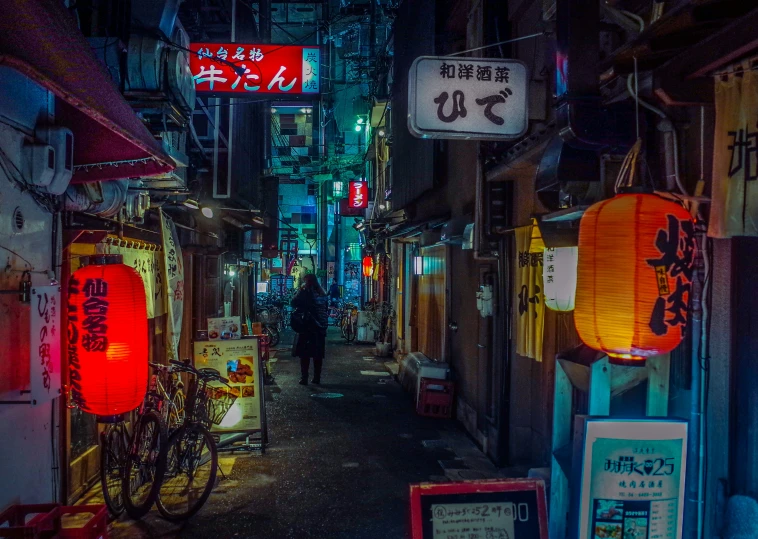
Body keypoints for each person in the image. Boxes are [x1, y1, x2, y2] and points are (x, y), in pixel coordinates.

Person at [292, 274, 328, 385]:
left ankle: (304, 377)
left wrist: (300, 290)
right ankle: (317, 377)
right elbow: (325, 309)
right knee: (317, 354)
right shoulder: (322, 293)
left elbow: (293, 302)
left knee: (305, 354)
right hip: (320, 327)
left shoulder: (306, 292)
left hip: (307, 327)